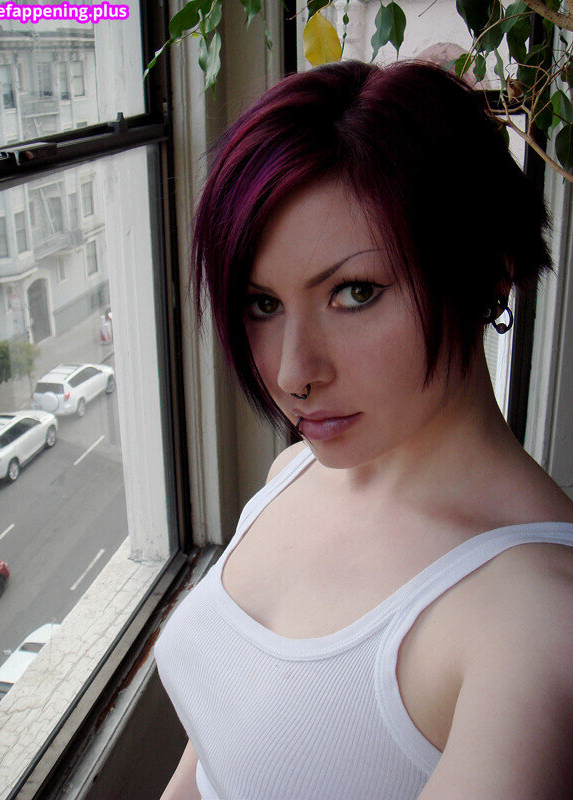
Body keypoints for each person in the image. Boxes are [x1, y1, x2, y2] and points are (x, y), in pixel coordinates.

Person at [154, 59, 573, 800]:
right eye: (261, 303)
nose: (293, 373)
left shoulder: (536, 627)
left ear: (489, 272)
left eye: (354, 293)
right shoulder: (296, 473)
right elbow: (218, 747)